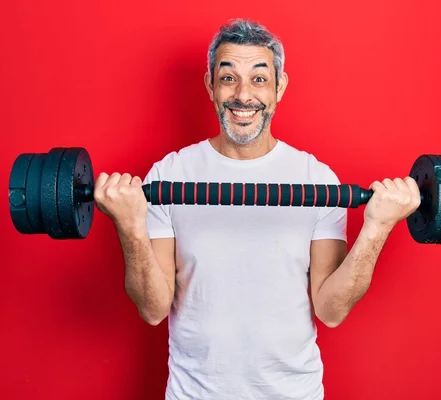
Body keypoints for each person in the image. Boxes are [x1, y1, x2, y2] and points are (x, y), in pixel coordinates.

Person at [93, 18, 421, 400]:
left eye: (260, 79)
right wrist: (130, 226)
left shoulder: (318, 178)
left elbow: (331, 310)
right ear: (210, 87)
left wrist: (377, 228)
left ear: (280, 87)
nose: (243, 95)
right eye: (229, 78)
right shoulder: (169, 174)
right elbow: (152, 309)